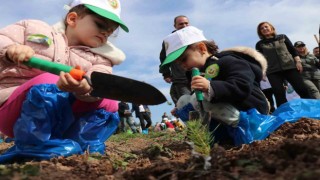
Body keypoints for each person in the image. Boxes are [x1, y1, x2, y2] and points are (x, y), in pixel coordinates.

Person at [0, 0, 129, 155]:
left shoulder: (101, 59)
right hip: (13, 109)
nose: (105, 33)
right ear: (72, 19)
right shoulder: (33, 28)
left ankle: (82, 144)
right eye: (100, 25)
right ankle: (33, 144)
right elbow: (3, 39)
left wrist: (85, 88)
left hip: (62, 118)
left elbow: (99, 81)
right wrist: (9, 50)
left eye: (111, 31)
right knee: (50, 81)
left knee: (109, 101)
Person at [160, 26, 269, 143]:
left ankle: (249, 130)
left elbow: (243, 85)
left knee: (197, 99)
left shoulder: (227, 60)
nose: (182, 65)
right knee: (183, 101)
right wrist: (180, 108)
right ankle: (209, 137)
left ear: (202, 48)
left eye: (184, 59)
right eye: (178, 63)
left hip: (250, 111)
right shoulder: (198, 73)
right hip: (226, 112)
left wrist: (210, 87)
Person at [255, 22, 311, 107]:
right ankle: (283, 115)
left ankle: (311, 108)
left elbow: (292, 50)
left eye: (266, 27)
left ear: (271, 28)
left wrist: (298, 62)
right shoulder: (259, 44)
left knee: (302, 89)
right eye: (262, 28)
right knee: (279, 94)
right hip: (273, 71)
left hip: (290, 67)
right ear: (260, 32)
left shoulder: (282, 37)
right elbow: (260, 59)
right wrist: (262, 71)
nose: (264, 29)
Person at [159, 15, 191, 105]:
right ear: (175, 26)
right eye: (181, 24)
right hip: (181, 79)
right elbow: (163, 58)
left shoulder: (196, 36)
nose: (184, 26)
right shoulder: (169, 40)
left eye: (186, 23)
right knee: (187, 103)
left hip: (198, 75)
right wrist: (166, 74)